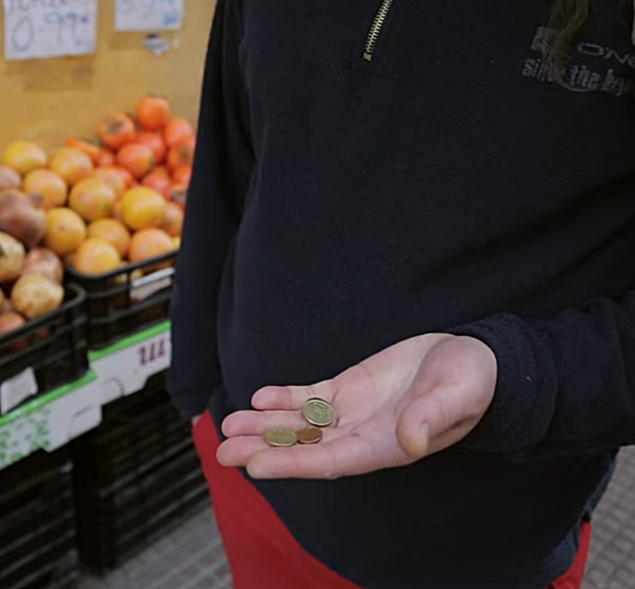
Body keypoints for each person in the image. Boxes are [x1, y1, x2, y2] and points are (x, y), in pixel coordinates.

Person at [167, 1, 635, 588]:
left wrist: (516, 373)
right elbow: (226, 164)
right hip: (249, 461)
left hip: (485, 550)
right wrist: (194, 392)